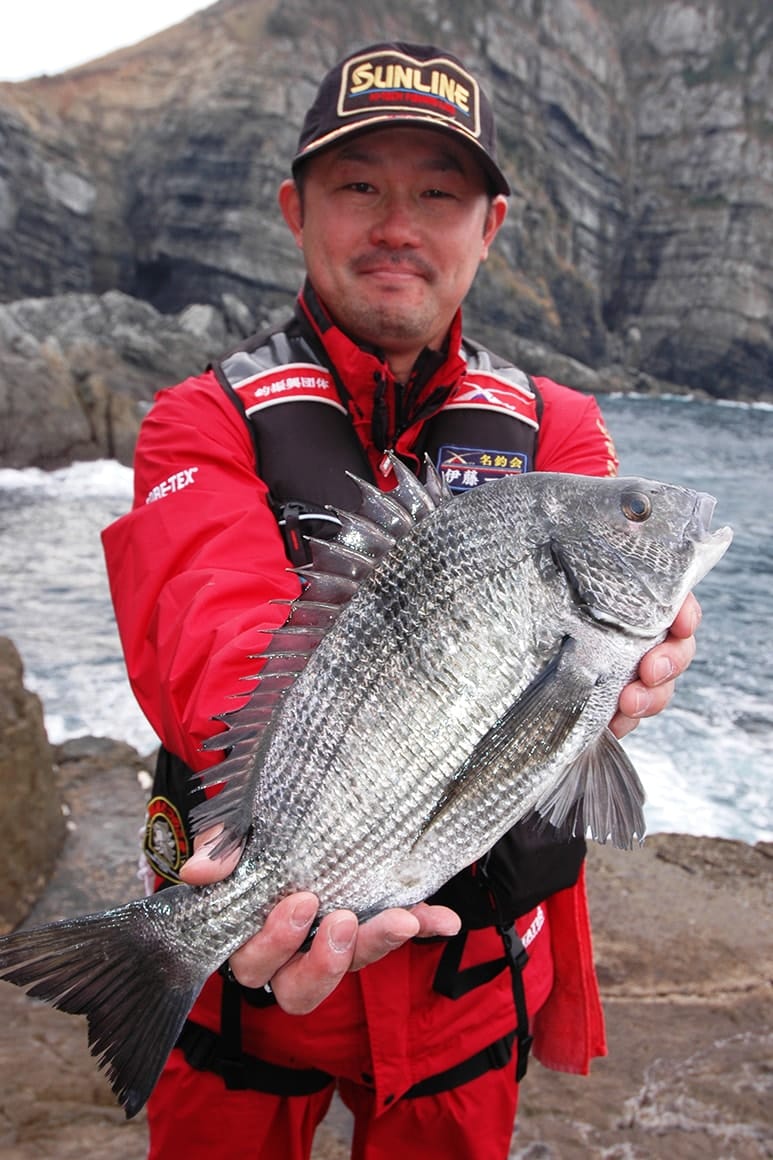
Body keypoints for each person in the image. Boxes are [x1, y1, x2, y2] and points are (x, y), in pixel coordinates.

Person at [102, 41, 700, 1160]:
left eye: (437, 192)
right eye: (358, 185)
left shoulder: (558, 438)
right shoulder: (199, 417)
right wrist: (309, 842)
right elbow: (209, 641)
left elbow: (589, 668)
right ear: (295, 208)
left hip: (470, 982)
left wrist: (630, 673)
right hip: (250, 975)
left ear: (491, 227)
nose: (397, 223)